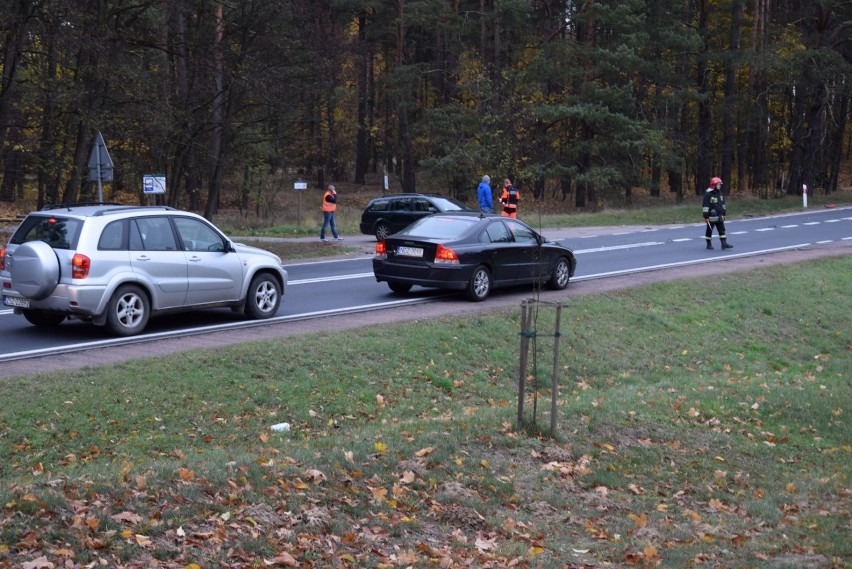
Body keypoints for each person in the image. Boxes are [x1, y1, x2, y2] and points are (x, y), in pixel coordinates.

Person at [703, 177, 732, 250]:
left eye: (720, 184)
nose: (720, 186)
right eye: (718, 185)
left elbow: (723, 205)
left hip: (719, 216)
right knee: (709, 230)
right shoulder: (708, 194)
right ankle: (708, 244)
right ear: (713, 185)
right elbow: (705, 206)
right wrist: (706, 216)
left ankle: (724, 243)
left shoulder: (720, 193)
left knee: (722, 230)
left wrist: (724, 214)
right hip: (711, 217)